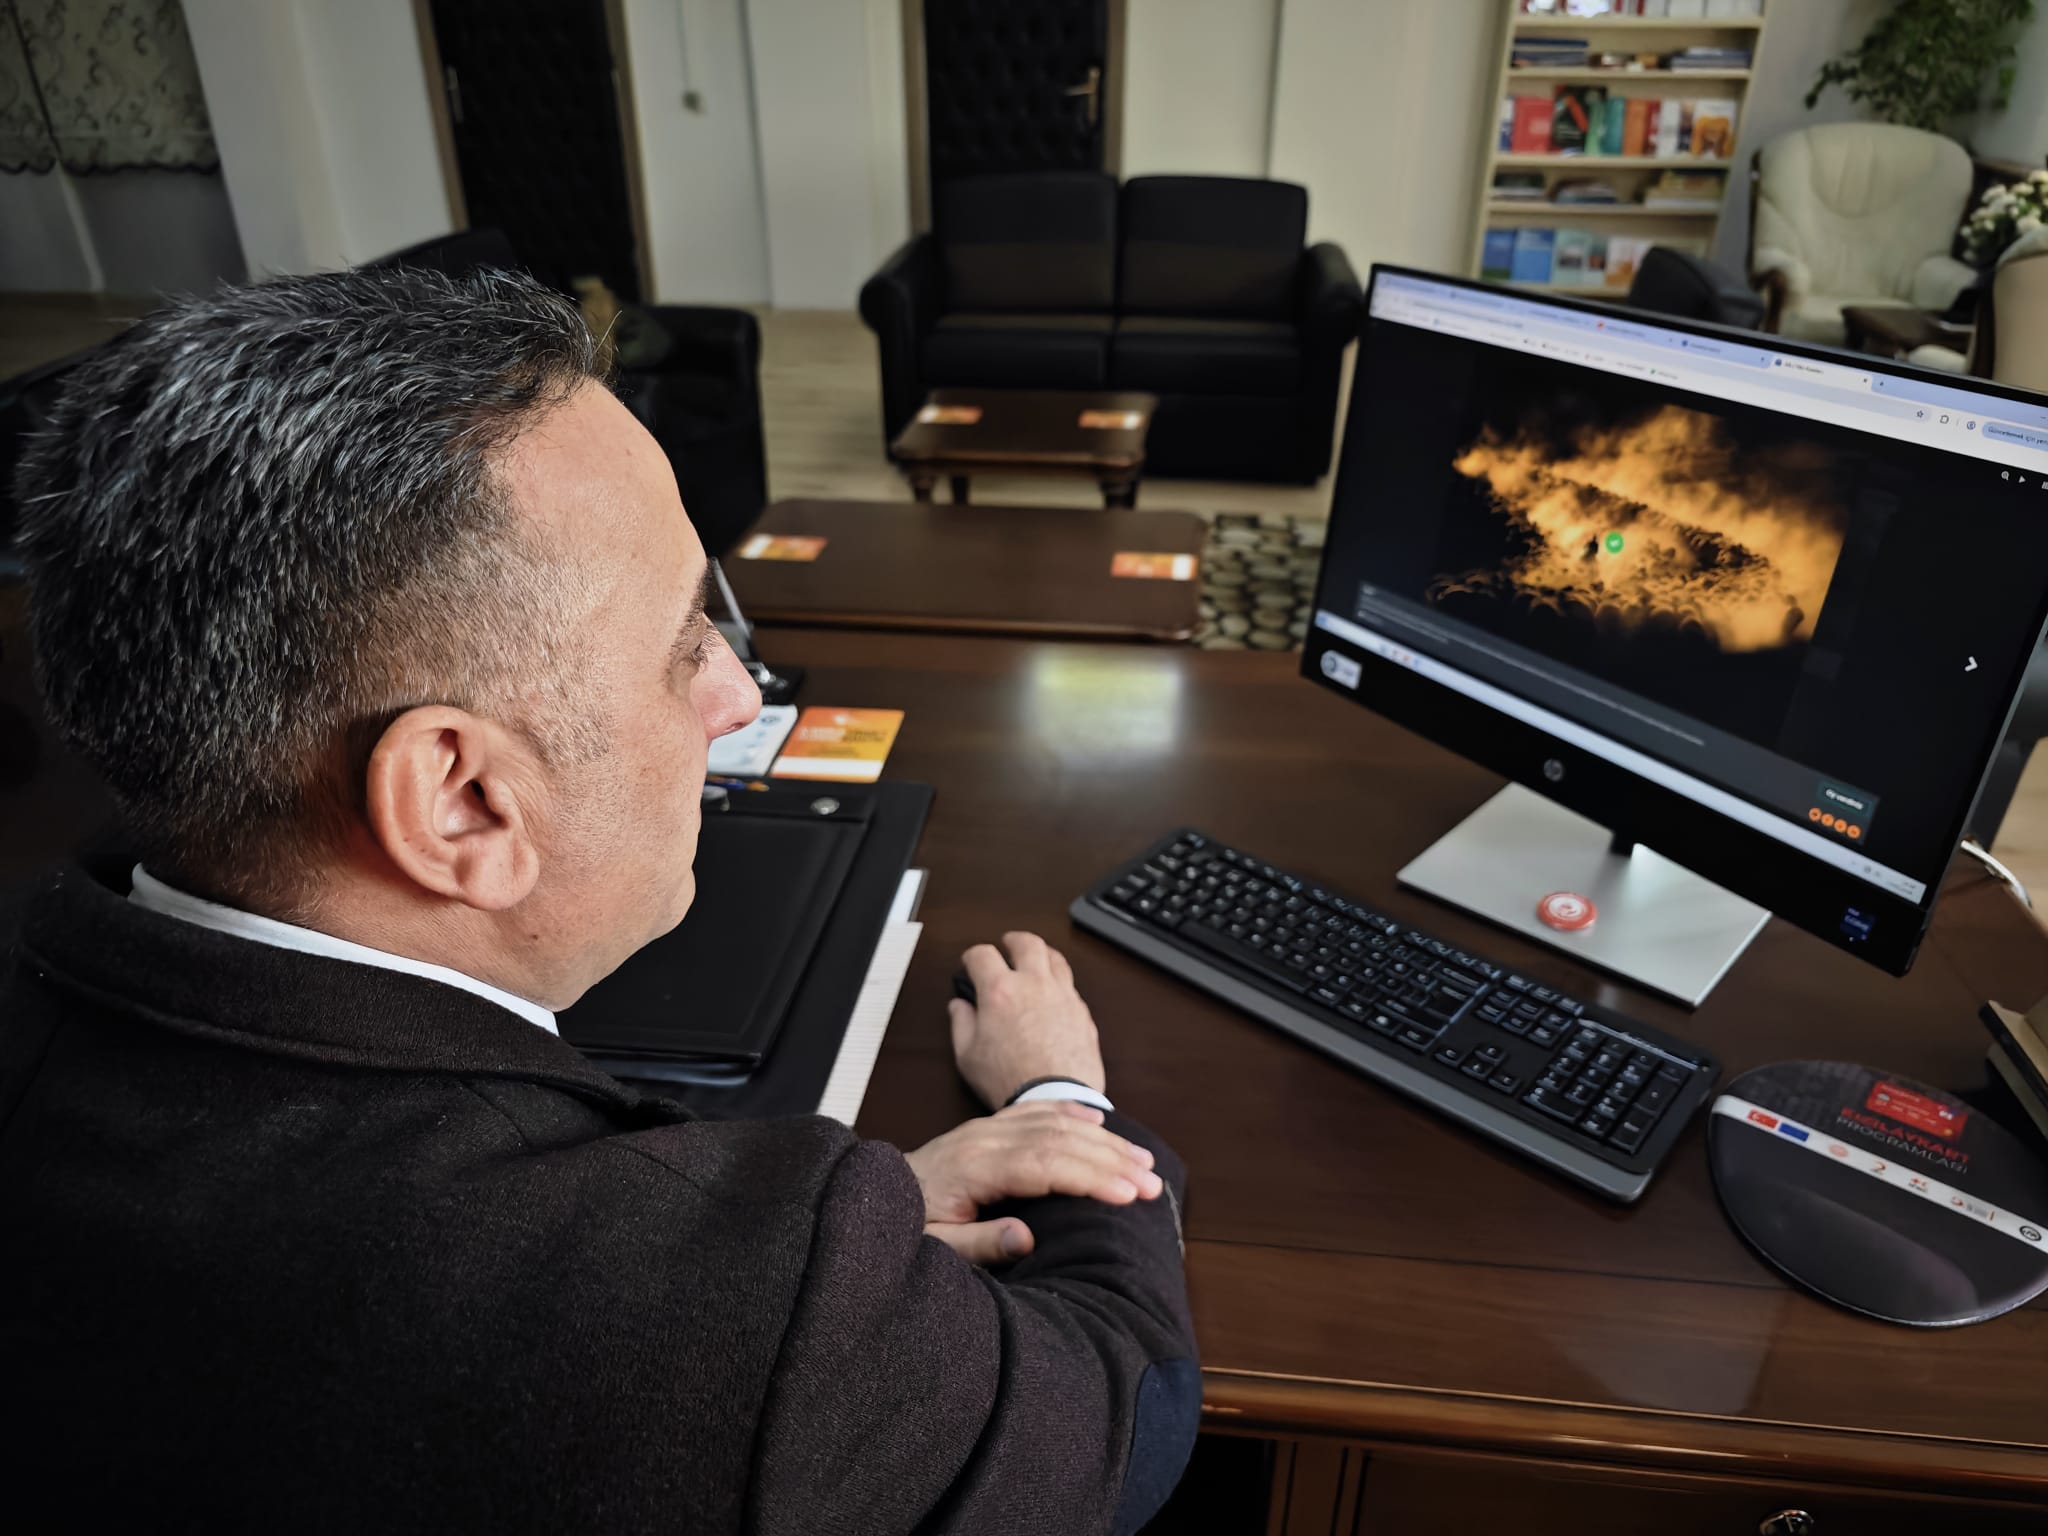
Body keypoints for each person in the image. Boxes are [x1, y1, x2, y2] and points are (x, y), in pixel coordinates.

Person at [0, 267, 1196, 1532]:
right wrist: (1056, 1095)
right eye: (682, 644)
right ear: (462, 802)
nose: (737, 694)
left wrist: (855, 1237)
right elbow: (1126, 1417)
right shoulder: (703, 1319)